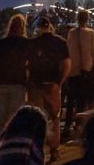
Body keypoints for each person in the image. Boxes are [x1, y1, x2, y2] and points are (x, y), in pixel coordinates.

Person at [26, 17, 71, 157]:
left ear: (39, 27)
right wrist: (59, 82)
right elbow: (67, 64)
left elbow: (26, 65)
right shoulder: (61, 42)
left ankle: (36, 148)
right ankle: (54, 149)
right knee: (54, 117)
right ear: (51, 26)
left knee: (36, 117)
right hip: (52, 84)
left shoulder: (32, 43)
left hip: (35, 84)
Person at [0, 14, 32, 128]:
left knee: (0, 118)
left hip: (1, 81)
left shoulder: (1, 43)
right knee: (14, 117)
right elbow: (29, 63)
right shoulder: (26, 43)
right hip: (18, 82)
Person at [65, 8, 94, 134]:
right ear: (87, 19)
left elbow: (68, 50)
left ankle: (67, 124)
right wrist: (93, 66)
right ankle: (79, 125)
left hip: (73, 70)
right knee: (82, 100)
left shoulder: (71, 33)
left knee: (70, 100)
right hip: (86, 70)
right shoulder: (91, 33)